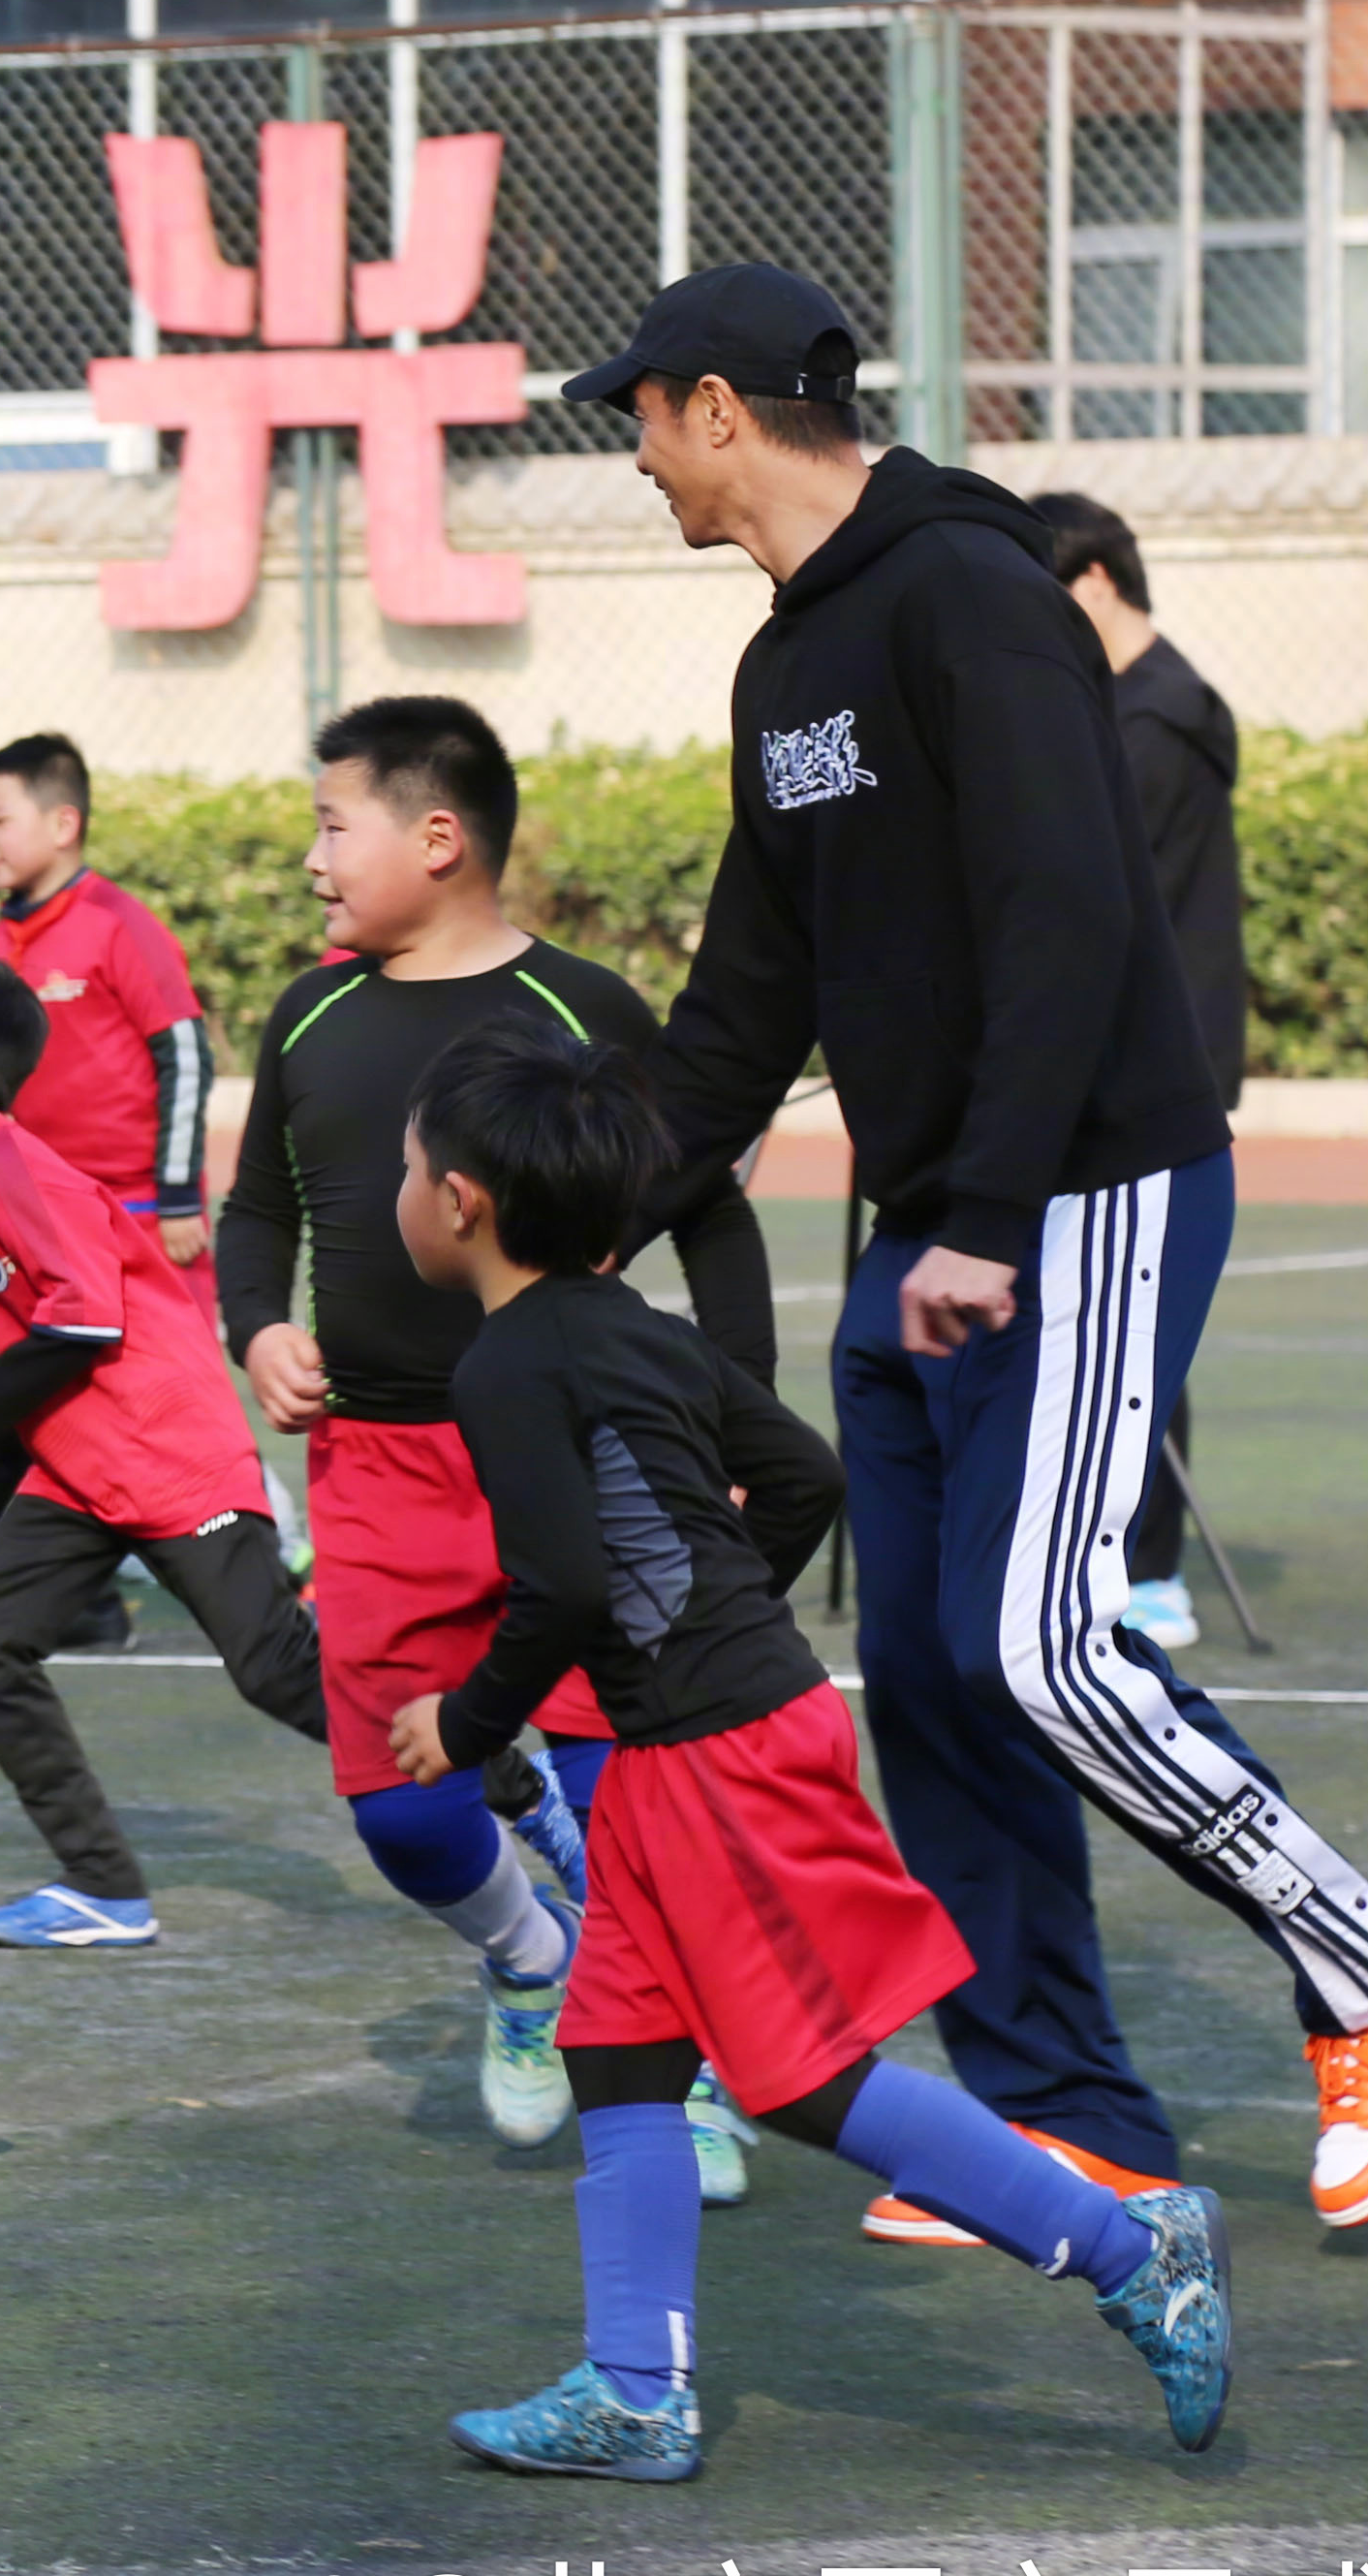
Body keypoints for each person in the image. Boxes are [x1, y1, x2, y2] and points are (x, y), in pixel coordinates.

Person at [575, 263, 1368, 2238]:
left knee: (1047, 1644)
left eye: (633, 416)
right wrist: (574, 1228)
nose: (627, 456)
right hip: (942, 1228)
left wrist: (989, 1217)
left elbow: (1069, 917)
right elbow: (748, 1006)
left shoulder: (973, 596)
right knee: (928, 1671)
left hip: (1078, 1198)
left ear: (717, 408)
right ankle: (1069, 2111)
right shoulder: (784, 667)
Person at [387, 1025, 1228, 2484]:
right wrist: (719, 1607)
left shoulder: (509, 1365)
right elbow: (803, 1479)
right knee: (622, 2057)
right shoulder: (646, 1331)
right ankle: (636, 2388)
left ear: (461, 1201)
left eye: (404, 1170)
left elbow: (569, 1588)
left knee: (798, 2079)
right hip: (686, 1739)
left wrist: (464, 1723)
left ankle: (1130, 2246)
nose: (396, 1193)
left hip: (716, 1748)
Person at [219, 696, 775, 2184]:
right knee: (403, 1808)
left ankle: (679, 2066)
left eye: (335, 826)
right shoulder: (312, 1014)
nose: (314, 860)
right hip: (380, 1473)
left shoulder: (591, 1013)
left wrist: (731, 1415)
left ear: (440, 836)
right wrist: (259, 1325)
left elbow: (713, 1214)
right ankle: (531, 1962)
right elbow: (258, 1207)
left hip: (584, 1457)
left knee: (627, 1793)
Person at [0, 954, 349, 1962]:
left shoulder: (4, 1162)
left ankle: (509, 1787)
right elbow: (24, 1354)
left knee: (275, 1674)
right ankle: (104, 1889)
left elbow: (78, 1326)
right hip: (85, 1470)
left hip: (170, 1456)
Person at [1025, 492, 1249, 1654]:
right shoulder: (1131, 707)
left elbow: (1109, 902)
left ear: (1098, 583)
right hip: (1143, 1043)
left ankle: (1148, 1562)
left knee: (1133, 1301)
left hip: (1157, 1055)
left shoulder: (1156, 720)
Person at [0, 734, 269, 1521]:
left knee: (179, 1384)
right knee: (62, 1385)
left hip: (138, 1210)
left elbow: (186, 1056)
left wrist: (175, 1198)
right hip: (50, 1218)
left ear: (64, 824)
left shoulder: (117, 924)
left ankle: (271, 1536)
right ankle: (103, 1540)